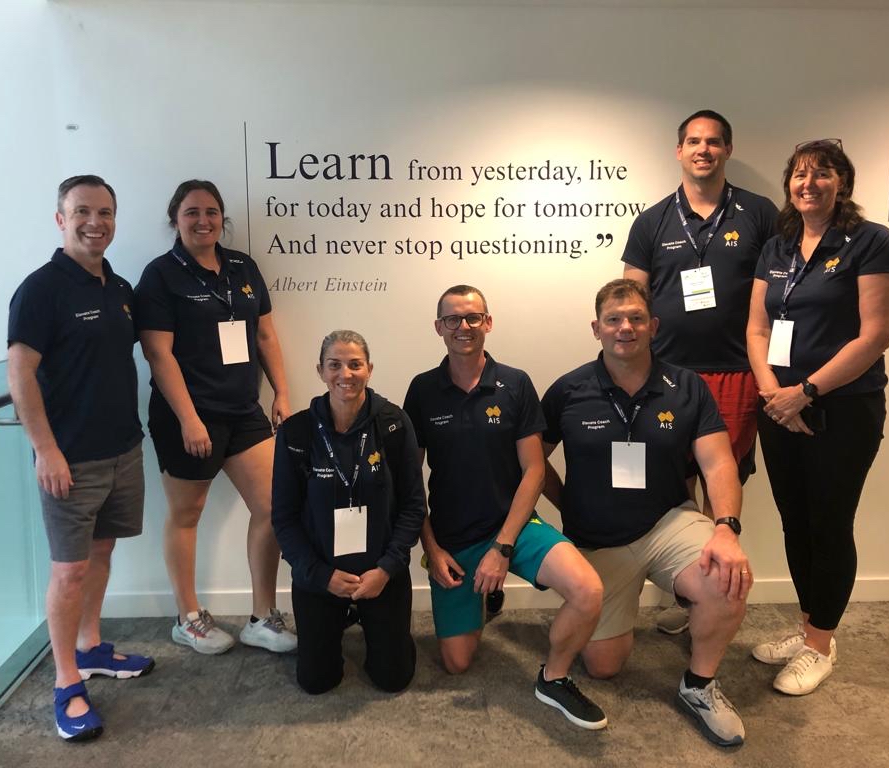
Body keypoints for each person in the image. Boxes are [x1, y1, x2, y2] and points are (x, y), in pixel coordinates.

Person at [542, 279, 752, 747]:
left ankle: (698, 686)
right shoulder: (568, 390)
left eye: (636, 318)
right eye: (614, 320)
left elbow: (718, 461)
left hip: (667, 523)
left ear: (653, 326)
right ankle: (626, 602)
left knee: (726, 576)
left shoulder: (688, 386)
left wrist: (726, 529)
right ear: (596, 328)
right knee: (603, 668)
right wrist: (565, 504)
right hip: (598, 541)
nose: (625, 328)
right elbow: (533, 464)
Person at [403, 285, 607, 730]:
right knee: (457, 663)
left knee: (588, 589)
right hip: (454, 540)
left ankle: (553, 677)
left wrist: (503, 546)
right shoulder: (422, 390)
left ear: (488, 323)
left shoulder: (514, 383)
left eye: (473, 317)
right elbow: (409, 484)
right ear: (439, 328)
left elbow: (534, 471)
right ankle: (483, 594)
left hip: (514, 528)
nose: (464, 327)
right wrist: (433, 552)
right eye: (453, 319)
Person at [747, 139, 889, 695]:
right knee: (795, 520)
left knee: (829, 523)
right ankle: (811, 626)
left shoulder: (869, 241)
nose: (808, 183)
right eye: (799, 175)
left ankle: (819, 646)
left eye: (822, 174)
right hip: (778, 408)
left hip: (842, 409)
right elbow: (757, 330)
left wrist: (805, 392)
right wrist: (773, 394)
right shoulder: (778, 245)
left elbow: (876, 333)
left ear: (844, 183)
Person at [8, 175, 154, 742]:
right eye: (83, 212)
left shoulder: (116, 286)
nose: (96, 222)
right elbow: (20, 373)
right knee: (68, 569)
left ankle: (91, 647)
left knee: (101, 550)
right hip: (69, 459)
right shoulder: (41, 289)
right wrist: (45, 449)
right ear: (60, 218)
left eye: (106, 212)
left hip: (122, 448)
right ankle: (67, 680)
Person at [622, 109, 778, 635]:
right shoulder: (652, 221)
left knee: (723, 485)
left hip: (736, 372)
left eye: (713, 142)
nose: (703, 150)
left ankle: (714, 594)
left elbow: (782, 294)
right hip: (667, 374)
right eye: (693, 141)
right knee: (670, 484)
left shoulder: (759, 214)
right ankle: (686, 588)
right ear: (679, 151)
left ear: (727, 150)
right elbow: (631, 299)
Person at [134, 180, 296, 655]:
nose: (203, 220)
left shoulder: (243, 266)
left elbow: (264, 336)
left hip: (243, 411)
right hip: (186, 415)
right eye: (191, 212)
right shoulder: (161, 275)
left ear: (222, 218)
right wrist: (188, 419)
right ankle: (187, 616)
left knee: (272, 507)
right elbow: (157, 354)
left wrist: (282, 393)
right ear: (175, 219)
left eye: (211, 212)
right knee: (187, 514)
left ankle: (262, 616)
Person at [272, 330, 424, 693]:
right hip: (321, 576)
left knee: (393, 679)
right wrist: (319, 574)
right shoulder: (296, 432)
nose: (346, 374)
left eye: (355, 364)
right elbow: (284, 516)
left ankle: (379, 626)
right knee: (316, 682)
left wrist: (387, 569)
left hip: (380, 574)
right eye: (334, 365)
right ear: (321, 372)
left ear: (369, 369)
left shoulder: (393, 423)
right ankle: (340, 617)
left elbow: (414, 505)